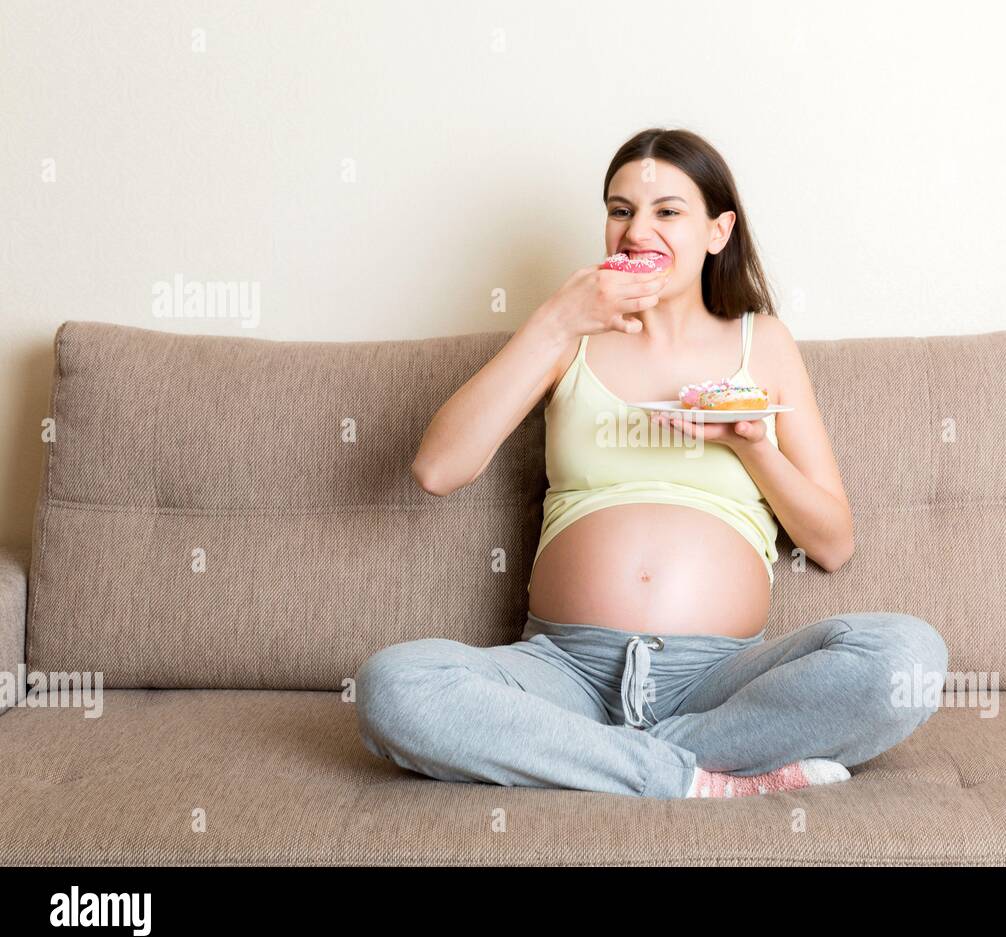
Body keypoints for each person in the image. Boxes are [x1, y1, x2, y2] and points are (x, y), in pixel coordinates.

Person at [356, 128, 948, 799]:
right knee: (393, 686)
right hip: (563, 673)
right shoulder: (566, 339)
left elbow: (834, 543)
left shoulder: (766, 343)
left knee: (910, 659)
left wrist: (749, 445)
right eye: (619, 210)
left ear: (718, 231)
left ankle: (609, 764)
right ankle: (701, 775)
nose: (638, 231)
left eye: (667, 211)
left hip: (721, 682)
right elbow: (438, 469)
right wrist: (556, 319)